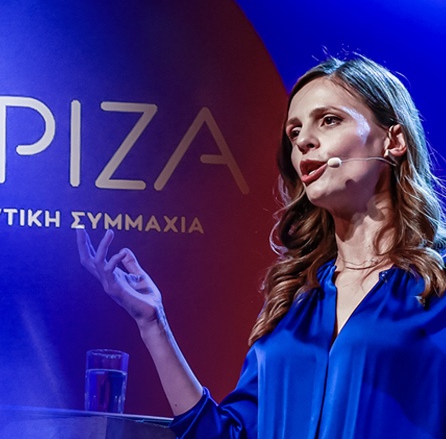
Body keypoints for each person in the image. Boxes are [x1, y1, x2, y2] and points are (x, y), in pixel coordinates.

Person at [77, 55, 446, 438]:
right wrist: (153, 323)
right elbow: (226, 435)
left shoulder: (438, 286)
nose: (303, 141)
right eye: (294, 131)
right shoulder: (296, 301)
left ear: (393, 141)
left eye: (329, 120)